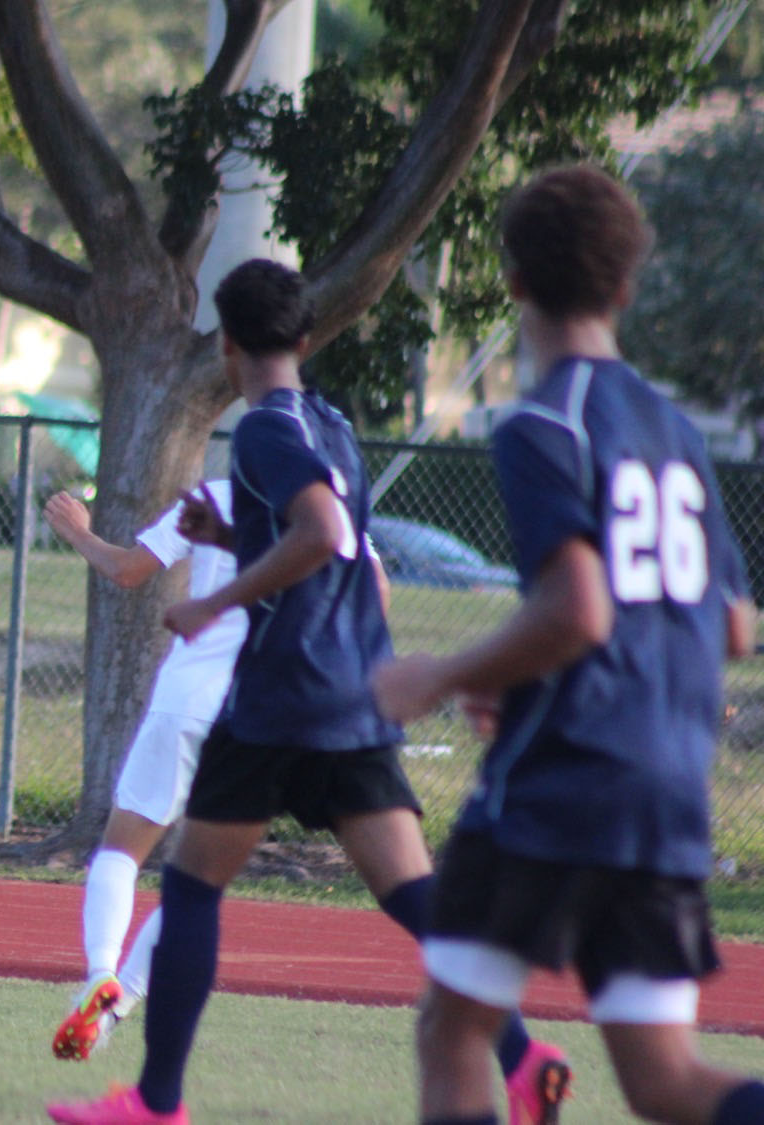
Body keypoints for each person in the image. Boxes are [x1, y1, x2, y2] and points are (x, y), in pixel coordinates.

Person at [46, 259, 564, 1125]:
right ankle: (524, 1054)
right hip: (348, 700)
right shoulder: (332, 427)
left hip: (279, 694)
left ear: (227, 342)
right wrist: (239, 538)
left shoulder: (259, 430)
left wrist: (213, 597)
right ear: (307, 337)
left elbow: (320, 534)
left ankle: (156, 1101)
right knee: (413, 895)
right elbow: (342, 547)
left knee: (194, 889)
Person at [374, 165, 764, 1125]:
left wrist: (442, 673)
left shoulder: (543, 421)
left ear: (512, 280)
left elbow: (580, 608)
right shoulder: (674, 429)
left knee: (455, 1032)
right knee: (666, 1082)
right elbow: (732, 624)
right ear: (626, 285)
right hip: (666, 789)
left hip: (560, 786)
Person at [39, 480, 246, 1061]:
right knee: (200, 879)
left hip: (186, 695)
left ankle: (99, 973)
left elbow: (128, 570)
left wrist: (77, 530)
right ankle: (118, 1005)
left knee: (120, 852)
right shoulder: (329, 499)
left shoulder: (218, 493)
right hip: (257, 710)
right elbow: (375, 591)